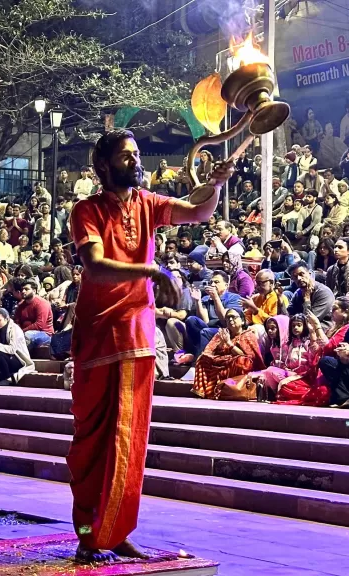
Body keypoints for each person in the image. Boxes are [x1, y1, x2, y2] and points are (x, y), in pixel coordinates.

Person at [66, 129, 228, 562]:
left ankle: (117, 531)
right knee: (94, 441)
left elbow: (197, 212)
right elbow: (96, 266)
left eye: (137, 154)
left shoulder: (148, 203)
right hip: (101, 336)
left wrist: (215, 185)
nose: (135, 161)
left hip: (137, 336)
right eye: (125, 156)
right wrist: (150, 272)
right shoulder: (86, 210)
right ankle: (89, 533)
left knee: (131, 440)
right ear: (103, 166)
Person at [191, 309, 265, 399]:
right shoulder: (222, 334)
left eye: (233, 317)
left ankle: (228, 388)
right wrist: (220, 345)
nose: (230, 320)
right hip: (220, 363)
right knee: (202, 359)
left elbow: (249, 357)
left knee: (242, 361)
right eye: (228, 318)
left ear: (242, 321)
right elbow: (209, 352)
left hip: (235, 366)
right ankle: (204, 392)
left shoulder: (248, 335)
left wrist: (229, 343)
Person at [287, 262, 335, 328]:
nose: (299, 278)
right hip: (300, 327)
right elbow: (288, 314)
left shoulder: (324, 293)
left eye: (301, 274)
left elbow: (310, 321)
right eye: (295, 277)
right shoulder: (298, 292)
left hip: (321, 328)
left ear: (309, 274)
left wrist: (307, 300)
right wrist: (281, 301)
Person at [14, 279, 53, 348]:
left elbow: (40, 325)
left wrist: (22, 332)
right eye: (22, 289)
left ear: (34, 291)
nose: (23, 291)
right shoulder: (21, 305)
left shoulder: (42, 303)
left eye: (26, 289)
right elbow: (17, 321)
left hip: (44, 334)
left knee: (27, 335)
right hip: (24, 332)